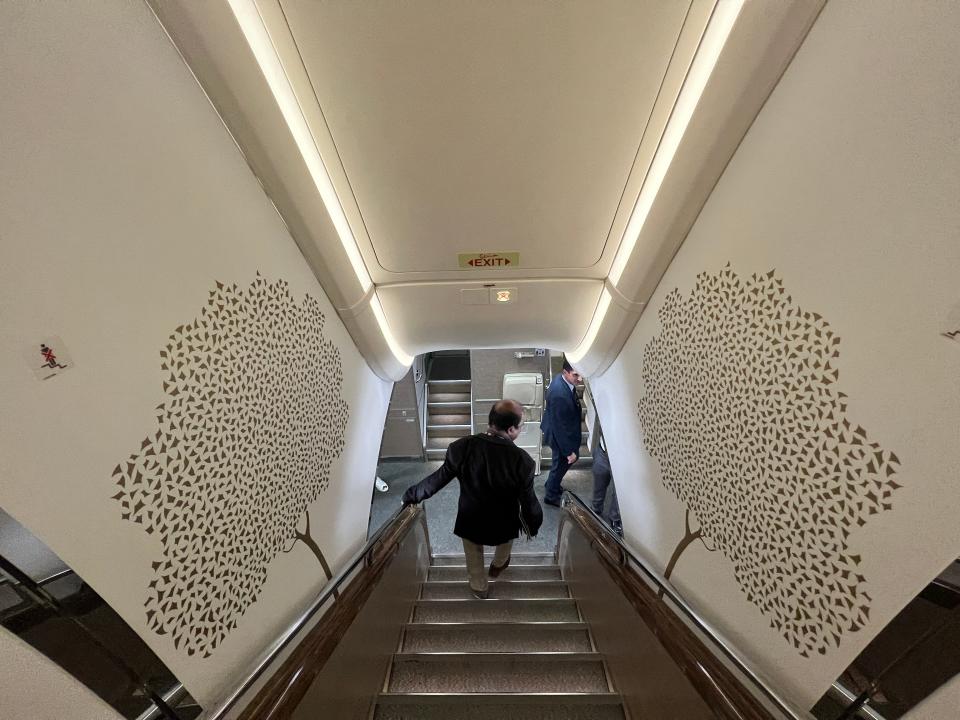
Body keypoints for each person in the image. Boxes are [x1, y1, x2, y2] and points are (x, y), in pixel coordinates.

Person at [402, 399, 543, 599]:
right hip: (504, 522)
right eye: (520, 427)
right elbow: (528, 501)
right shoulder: (523, 461)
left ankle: (479, 587)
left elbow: (437, 479)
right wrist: (534, 523)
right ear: (511, 430)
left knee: (473, 554)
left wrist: (412, 495)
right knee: (505, 546)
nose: (520, 431)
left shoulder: (461, 448)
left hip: (471, 519)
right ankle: (498, 565)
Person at [541, 358, 583, 507]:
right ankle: (551, 496)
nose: (580, 378)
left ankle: (551, 484)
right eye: (575, 375)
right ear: (565, 372)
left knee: (558, 465)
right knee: (561, 464)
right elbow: (559, 427)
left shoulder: (562, 380)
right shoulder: (559, 394)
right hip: (559, 435)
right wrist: (568, 452)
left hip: (561, 429)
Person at [591, 426, 622, 536]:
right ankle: (595, 510)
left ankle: (615, 520)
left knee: (619, 492)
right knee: (599, 486)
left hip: (622, 457)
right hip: (603, 453)